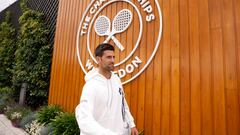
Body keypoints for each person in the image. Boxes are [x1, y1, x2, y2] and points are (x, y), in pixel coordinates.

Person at [75, 43, 138, 135]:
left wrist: (131, 124)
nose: (112, 60)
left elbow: (123, 103)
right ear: (98, 59)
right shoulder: (91, 85)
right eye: (108, 57)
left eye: (113, 57)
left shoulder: (116, 80)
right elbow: (84, 120)